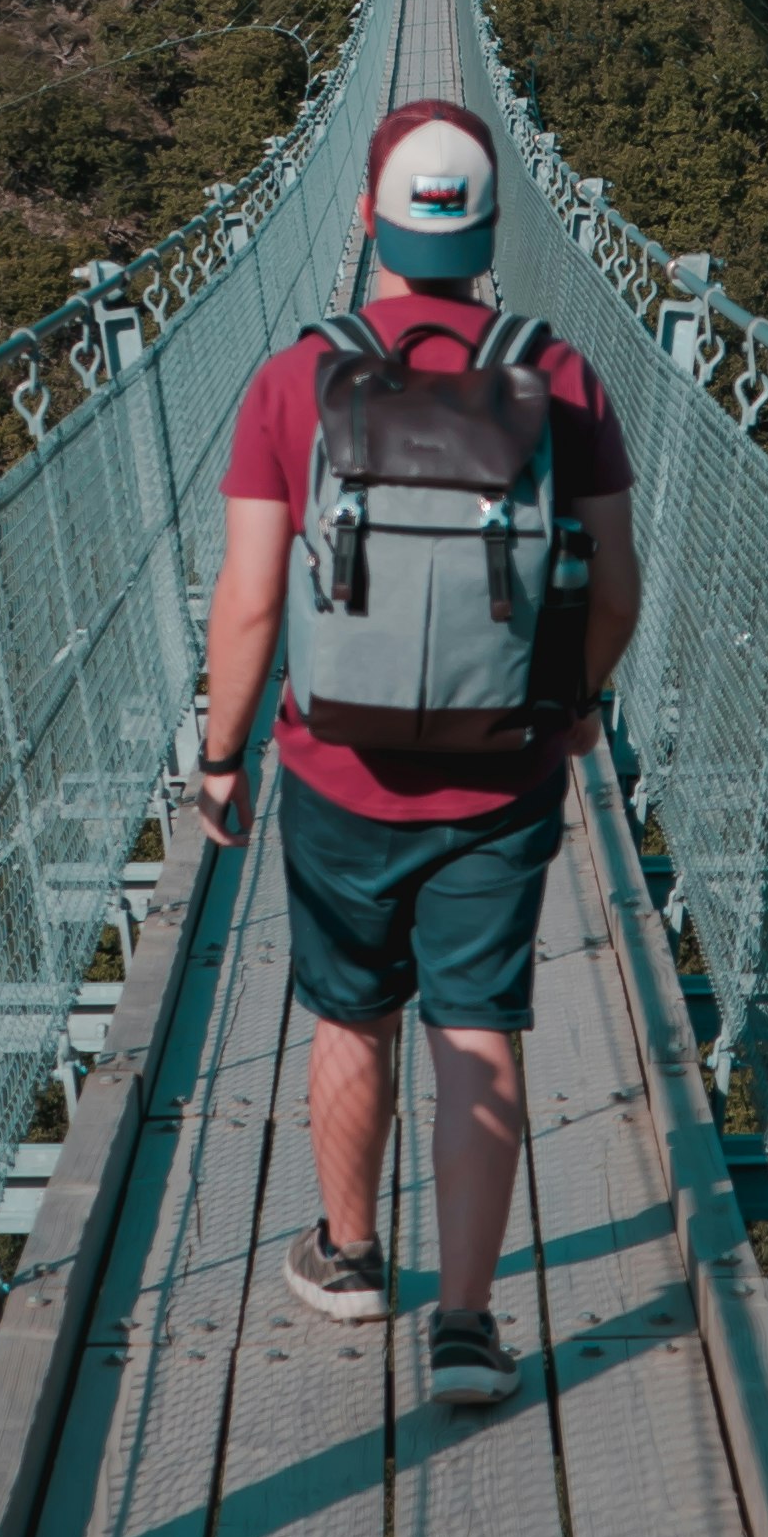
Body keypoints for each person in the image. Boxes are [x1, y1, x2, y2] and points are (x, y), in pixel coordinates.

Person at [195, 101, 639, 1408]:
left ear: (363, 221)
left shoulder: (295, 376)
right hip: (502, 765)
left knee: (350, 1005)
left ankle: (345, 1256)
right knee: (477, 1025)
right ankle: (461, 1323)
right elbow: (614, 586)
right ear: (492, 227)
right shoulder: (559, 376)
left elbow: (251, 602)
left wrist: (221, 753)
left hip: (334, 764)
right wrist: (572, 703)